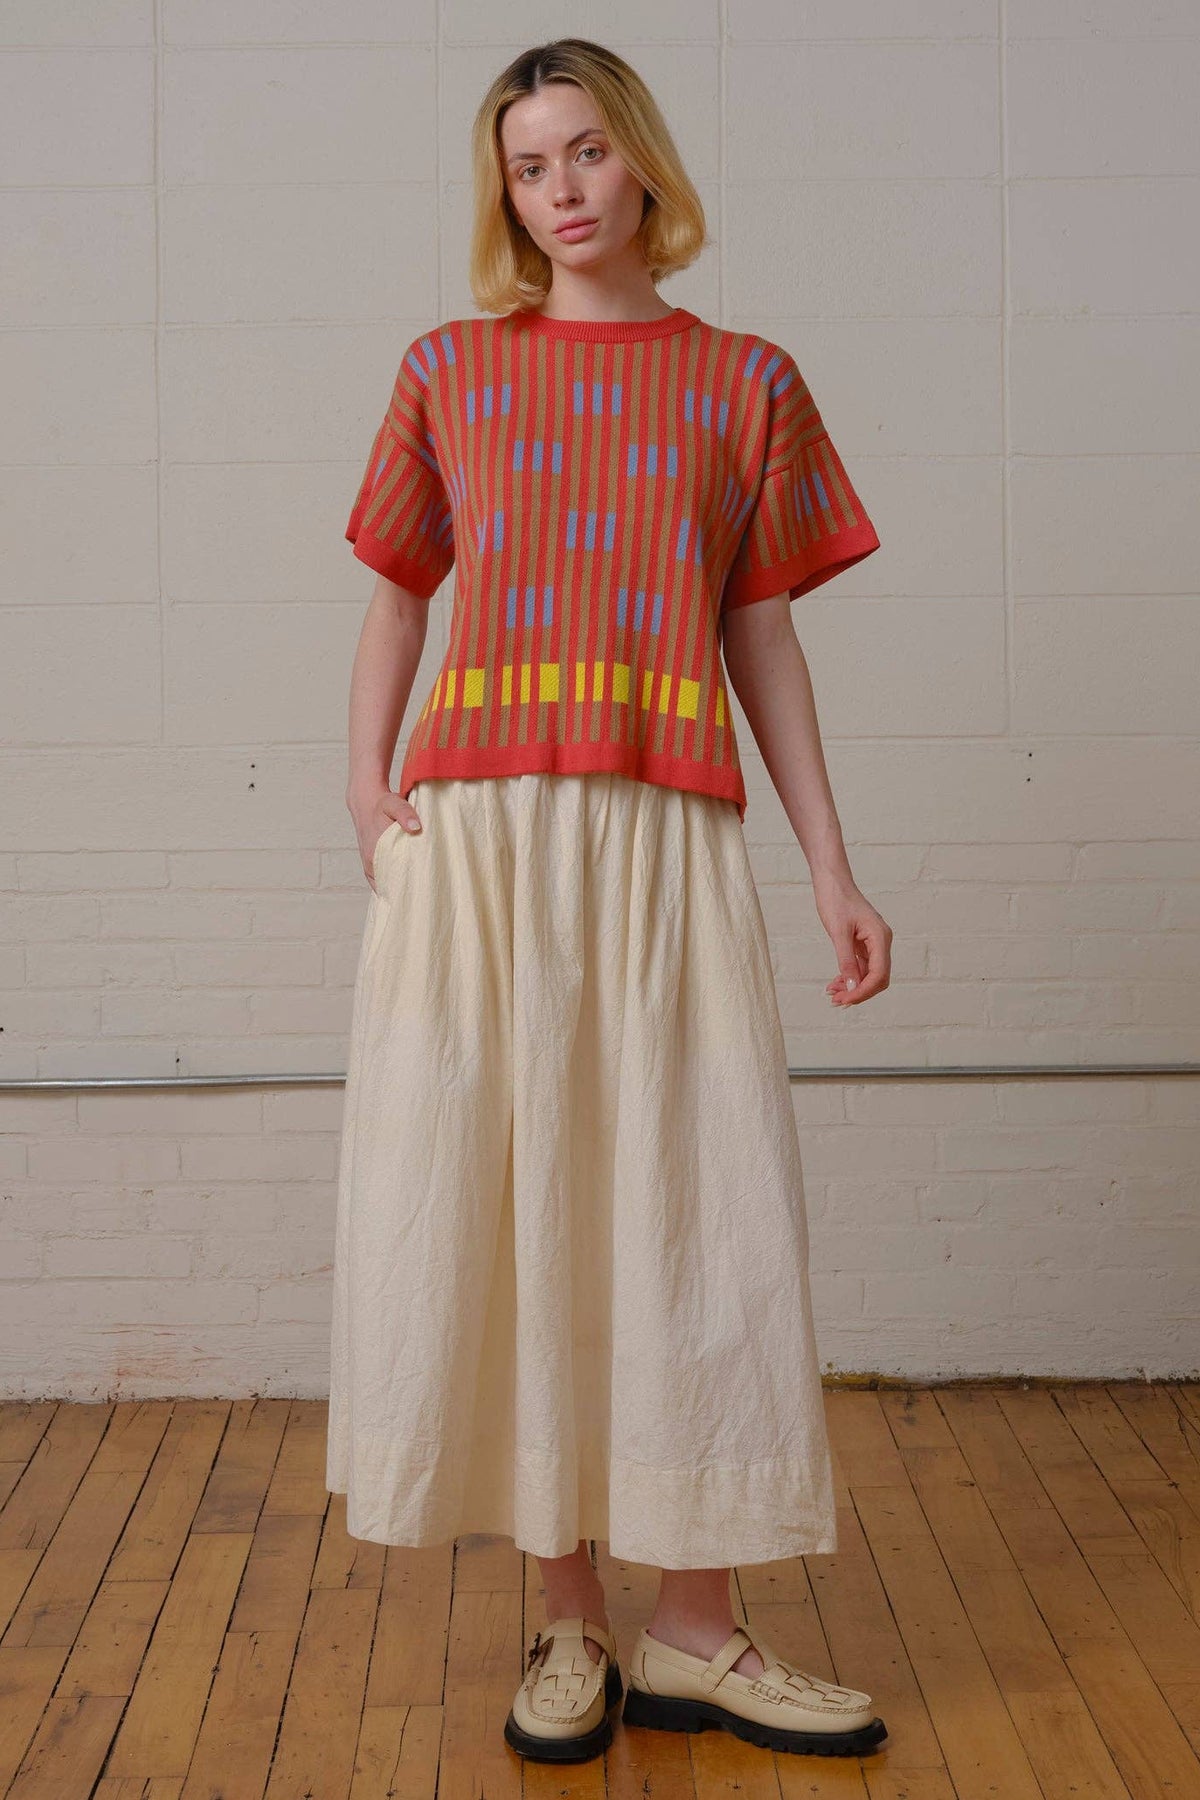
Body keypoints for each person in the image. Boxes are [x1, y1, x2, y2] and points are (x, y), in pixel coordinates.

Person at [326, 35, 893, 1768]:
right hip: (484, 840)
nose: (560, 190)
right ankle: (570, 1618)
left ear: (640, 158)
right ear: (504, 194)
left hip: (665, 833)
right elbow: (397, 597)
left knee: (697, 1204)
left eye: (583, 151)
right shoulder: (448, 369)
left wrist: (831, 862)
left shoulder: (746, 382)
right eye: (527, 166)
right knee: (518, 1205)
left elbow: (760, 632)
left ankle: (696, 1631)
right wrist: (366, 788)